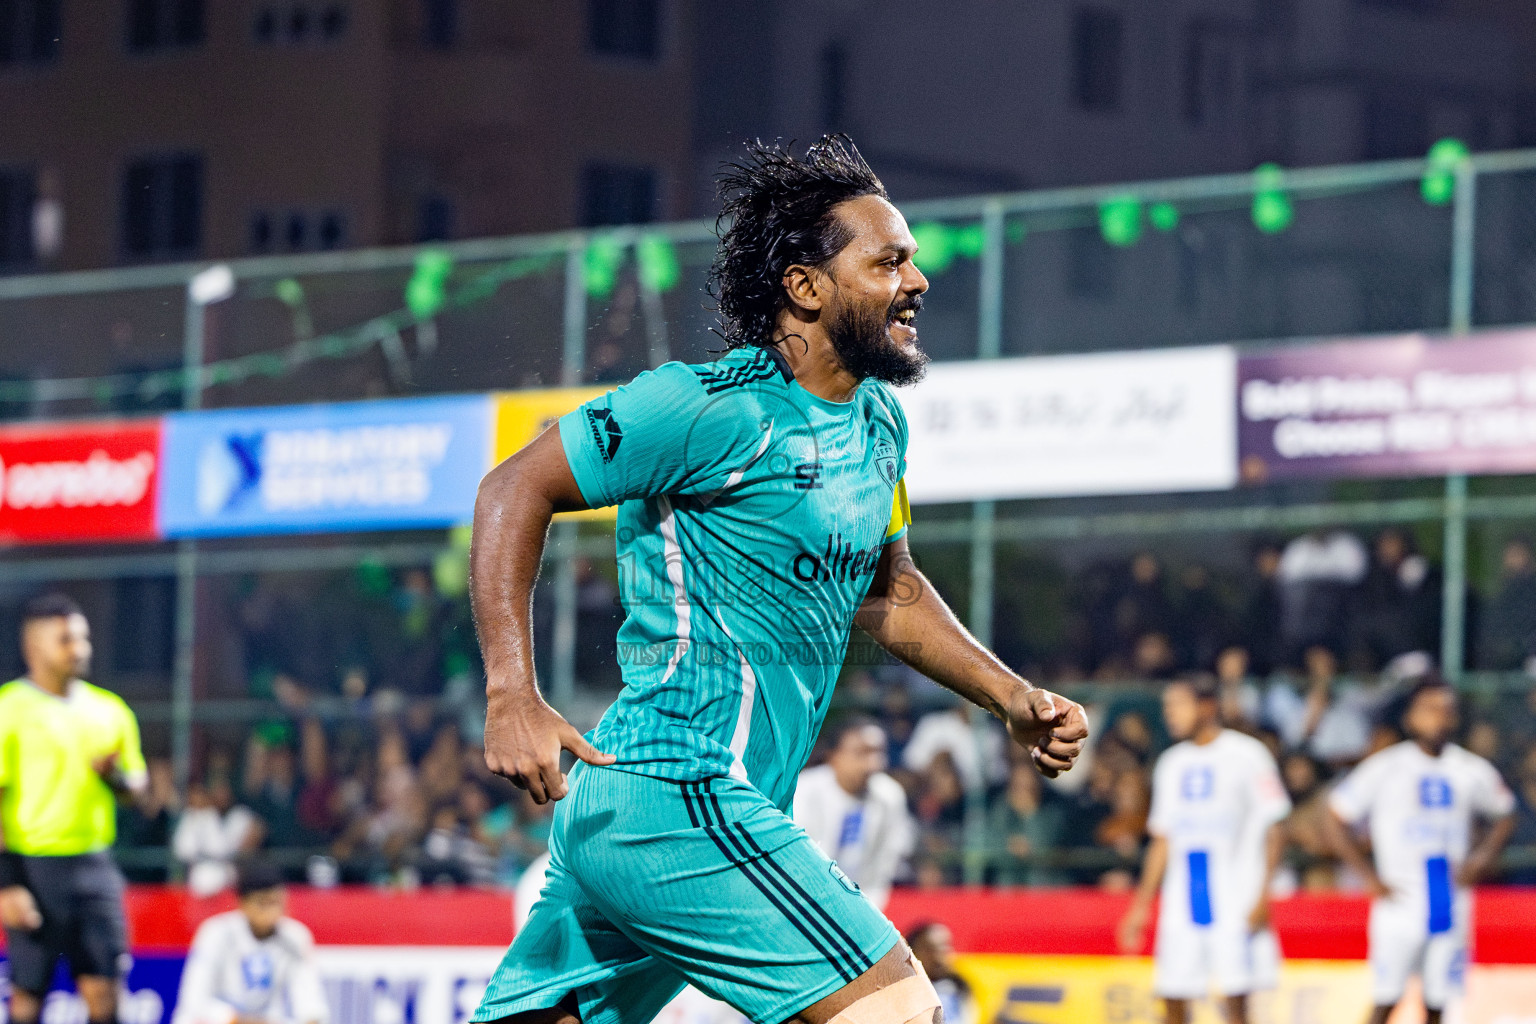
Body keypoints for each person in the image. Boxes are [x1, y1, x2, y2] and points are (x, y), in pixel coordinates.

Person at [466, 136, 1089, 1024]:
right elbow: (512, 486)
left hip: (690, 805)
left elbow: (883, 588)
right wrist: (511, 691)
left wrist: (1010, 696)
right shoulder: (709, 406)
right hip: (679, 787)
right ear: (806, 286)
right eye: (889, 262)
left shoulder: (878, 426)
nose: (916, 282)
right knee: (898, 1010)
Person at [1324, 677, 1516, 1024]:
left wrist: (1482, 857)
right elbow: (1335, 816)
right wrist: (1366, 875)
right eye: (1429, 710)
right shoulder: (1387, 767)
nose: (1439, 718)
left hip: (1450, 899)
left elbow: (1505, 813)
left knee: (1439, 1003)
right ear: (1410, 718)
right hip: (1399, 900)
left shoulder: (1469, 769)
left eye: (1446, 711)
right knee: (1386, 999)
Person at [0, 594, 147, 1024]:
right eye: (65, 639)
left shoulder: (110, 710)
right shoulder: (9, 709)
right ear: (35, 647)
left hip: (94, 866)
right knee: (28, 997)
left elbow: (135, 791)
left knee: (105, 994)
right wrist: (6, 882)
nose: (79, 648)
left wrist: (116, 777)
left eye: (83, 638)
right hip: (32, 868)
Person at [1117, 675, 1290, 1024]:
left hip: (1235, 896)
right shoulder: (1170, 764)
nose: (1169, 714)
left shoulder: (1248, 754)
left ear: (1208, 706)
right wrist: (1140, 907)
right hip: (1182, 901)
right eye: (1167, 707)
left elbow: (1276, 827)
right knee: (1173, 997)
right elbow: (1162, 840)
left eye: (1178, 705)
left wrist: (1262, 896)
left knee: (1236, 1000)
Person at [171, 860, 328, 1024]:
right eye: (262, 903)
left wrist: (312, 1018)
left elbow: (310, 1000)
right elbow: (194, 1000)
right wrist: (236, 1019)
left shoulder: (295, 937)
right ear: (243, 904)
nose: (271, 912)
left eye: (276, 902)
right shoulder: (217, 933)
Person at [793, 717, 914, 910]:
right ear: (834, 756)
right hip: (804, 898)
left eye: (878, 753)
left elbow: (885, 864)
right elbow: (797, 857)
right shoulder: (804, 789)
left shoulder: (889, 795)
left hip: (862, 904)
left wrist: (867, 911)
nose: (872, 763)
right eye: (861, 753)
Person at [903, 924, 974, 1024]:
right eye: (929, 950)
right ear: (911, 952)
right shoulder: (903, 993)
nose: (938, 957)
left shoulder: (960, 989)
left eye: (944, 947)